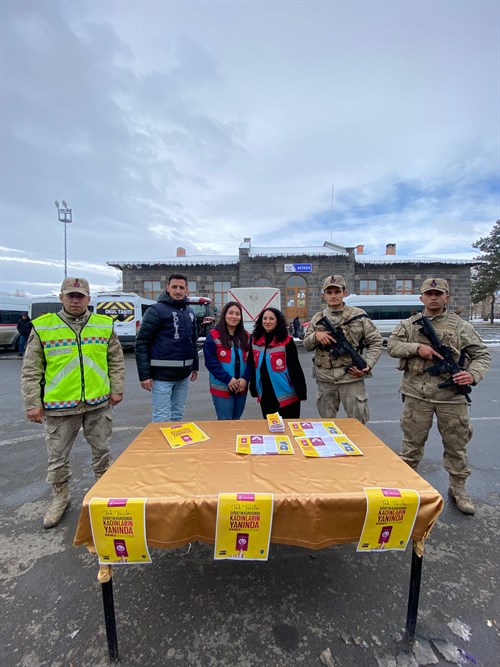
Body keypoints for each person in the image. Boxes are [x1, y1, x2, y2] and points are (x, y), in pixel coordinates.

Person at [21, 277, 125, 529]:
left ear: (89, 299)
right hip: (60, 407)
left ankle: (103, 492)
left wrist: (117, 388)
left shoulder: (103, 324)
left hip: (98, 403)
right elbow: (31, 369)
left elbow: (116, 360)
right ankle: (60, 497)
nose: (76, 300)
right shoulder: (44, 326)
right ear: (61, 297)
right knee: (57, 457)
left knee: (102, 452)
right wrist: (31, 402)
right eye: (71, 296)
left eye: (80, 296)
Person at [387, 278, 491, 515]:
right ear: (421, 297)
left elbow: (482, 355)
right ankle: (407, 488)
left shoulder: (460, 326)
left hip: (451, 398)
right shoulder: (410, 324)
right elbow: (392, 345)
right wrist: (416, 348)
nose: (433, 298)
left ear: (447, 297)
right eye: (429, 294)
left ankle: (458, 489)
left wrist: (472, 375)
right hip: (417, 395)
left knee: (456, 446)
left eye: (438, 293)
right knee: (411, 446)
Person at [302, 275, 383, 424]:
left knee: (358, 425)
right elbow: (306, 345)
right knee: (327, 425)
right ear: (324, 294)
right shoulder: (317, 318)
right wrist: (316, 336)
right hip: (325, 379)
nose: (333, 296)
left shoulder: (359, 316)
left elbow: (376, 342)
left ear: (344, 292)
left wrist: (367, 365)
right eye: (329, 292)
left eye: (337, 292)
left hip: (351, 377)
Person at [135, 273, 199, 422]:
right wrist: (144, 375)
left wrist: (195, 366)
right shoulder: (156, 311)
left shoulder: (190, 312)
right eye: (174, 287)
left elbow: (192, 341)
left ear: (186, 290)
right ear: (167, 288)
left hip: (183, 377)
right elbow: (142, 342)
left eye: (181, 287)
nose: (178, 291)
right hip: (162, 377)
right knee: (161, 419)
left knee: (177, 416)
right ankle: (159, 446)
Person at [249, 307, 307, 418]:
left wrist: (301, 392)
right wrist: (253, 387)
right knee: (270, 429)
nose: (267, 321)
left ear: (277, 321)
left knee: (289, 429)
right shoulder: (255, 342)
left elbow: (295, 368)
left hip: (287, 395)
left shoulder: (287, 341)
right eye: (264, 318)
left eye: (271, 319)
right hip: (265, 395)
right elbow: (253, 366)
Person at [203, 301, 251, 420]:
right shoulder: (213, 336)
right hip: (222, 387)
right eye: (230, 313)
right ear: (224, 314)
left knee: (236, 420)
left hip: (241, 387)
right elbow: (211, 362)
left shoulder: (246, 337)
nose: (234, 317)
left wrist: (245, 379)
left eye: (237, 314)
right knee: (225, 421)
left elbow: (251, 361)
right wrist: (228, 379)